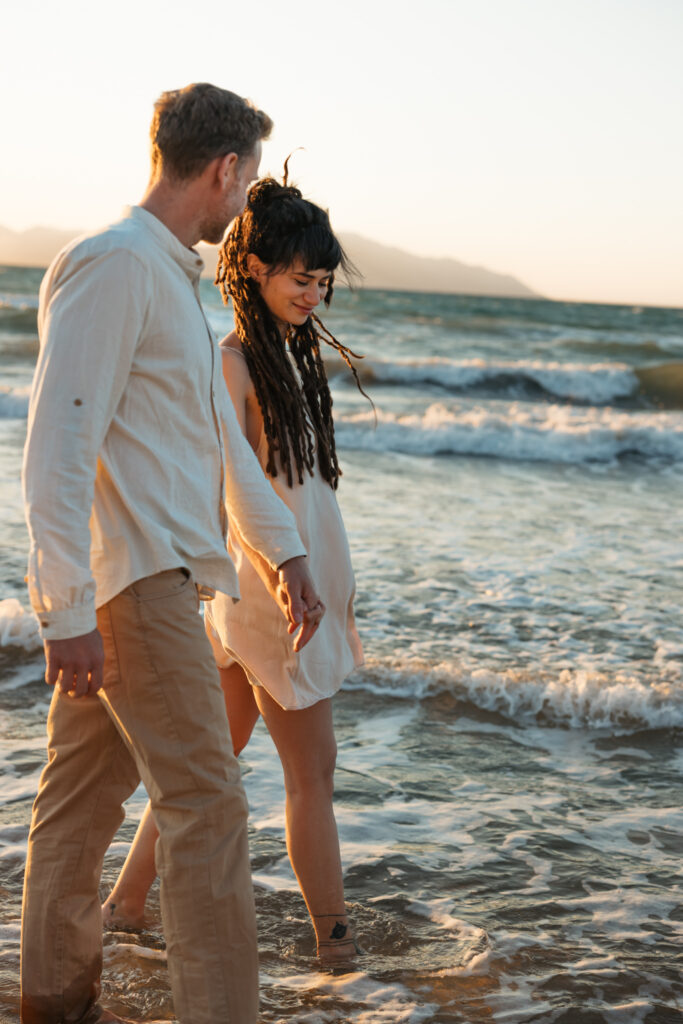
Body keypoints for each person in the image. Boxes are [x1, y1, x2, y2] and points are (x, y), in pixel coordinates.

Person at [20, 84, 326, 1024]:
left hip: (144, 582)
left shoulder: (160, 276)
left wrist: (283, 553)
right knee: (207, 805)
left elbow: (215, 444)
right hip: (132, 587)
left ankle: (52, 1002)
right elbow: (57, 444)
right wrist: (64, 611)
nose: (243, 205)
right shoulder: (115, 267)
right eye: (244, 181)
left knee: (78, 807)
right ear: (225, 168)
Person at [100, 173, 370, 966]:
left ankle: (123, 903)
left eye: (322, 281)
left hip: (282, 586)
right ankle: (336, 945)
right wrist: (289, 571)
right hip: (272, 594)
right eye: (299, 277)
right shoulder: (233, 363)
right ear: (252, 269)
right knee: (310, 774)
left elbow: (301, 487)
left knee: (214, 757)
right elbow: (237, 484)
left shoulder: (289, 355)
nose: (313, 294)